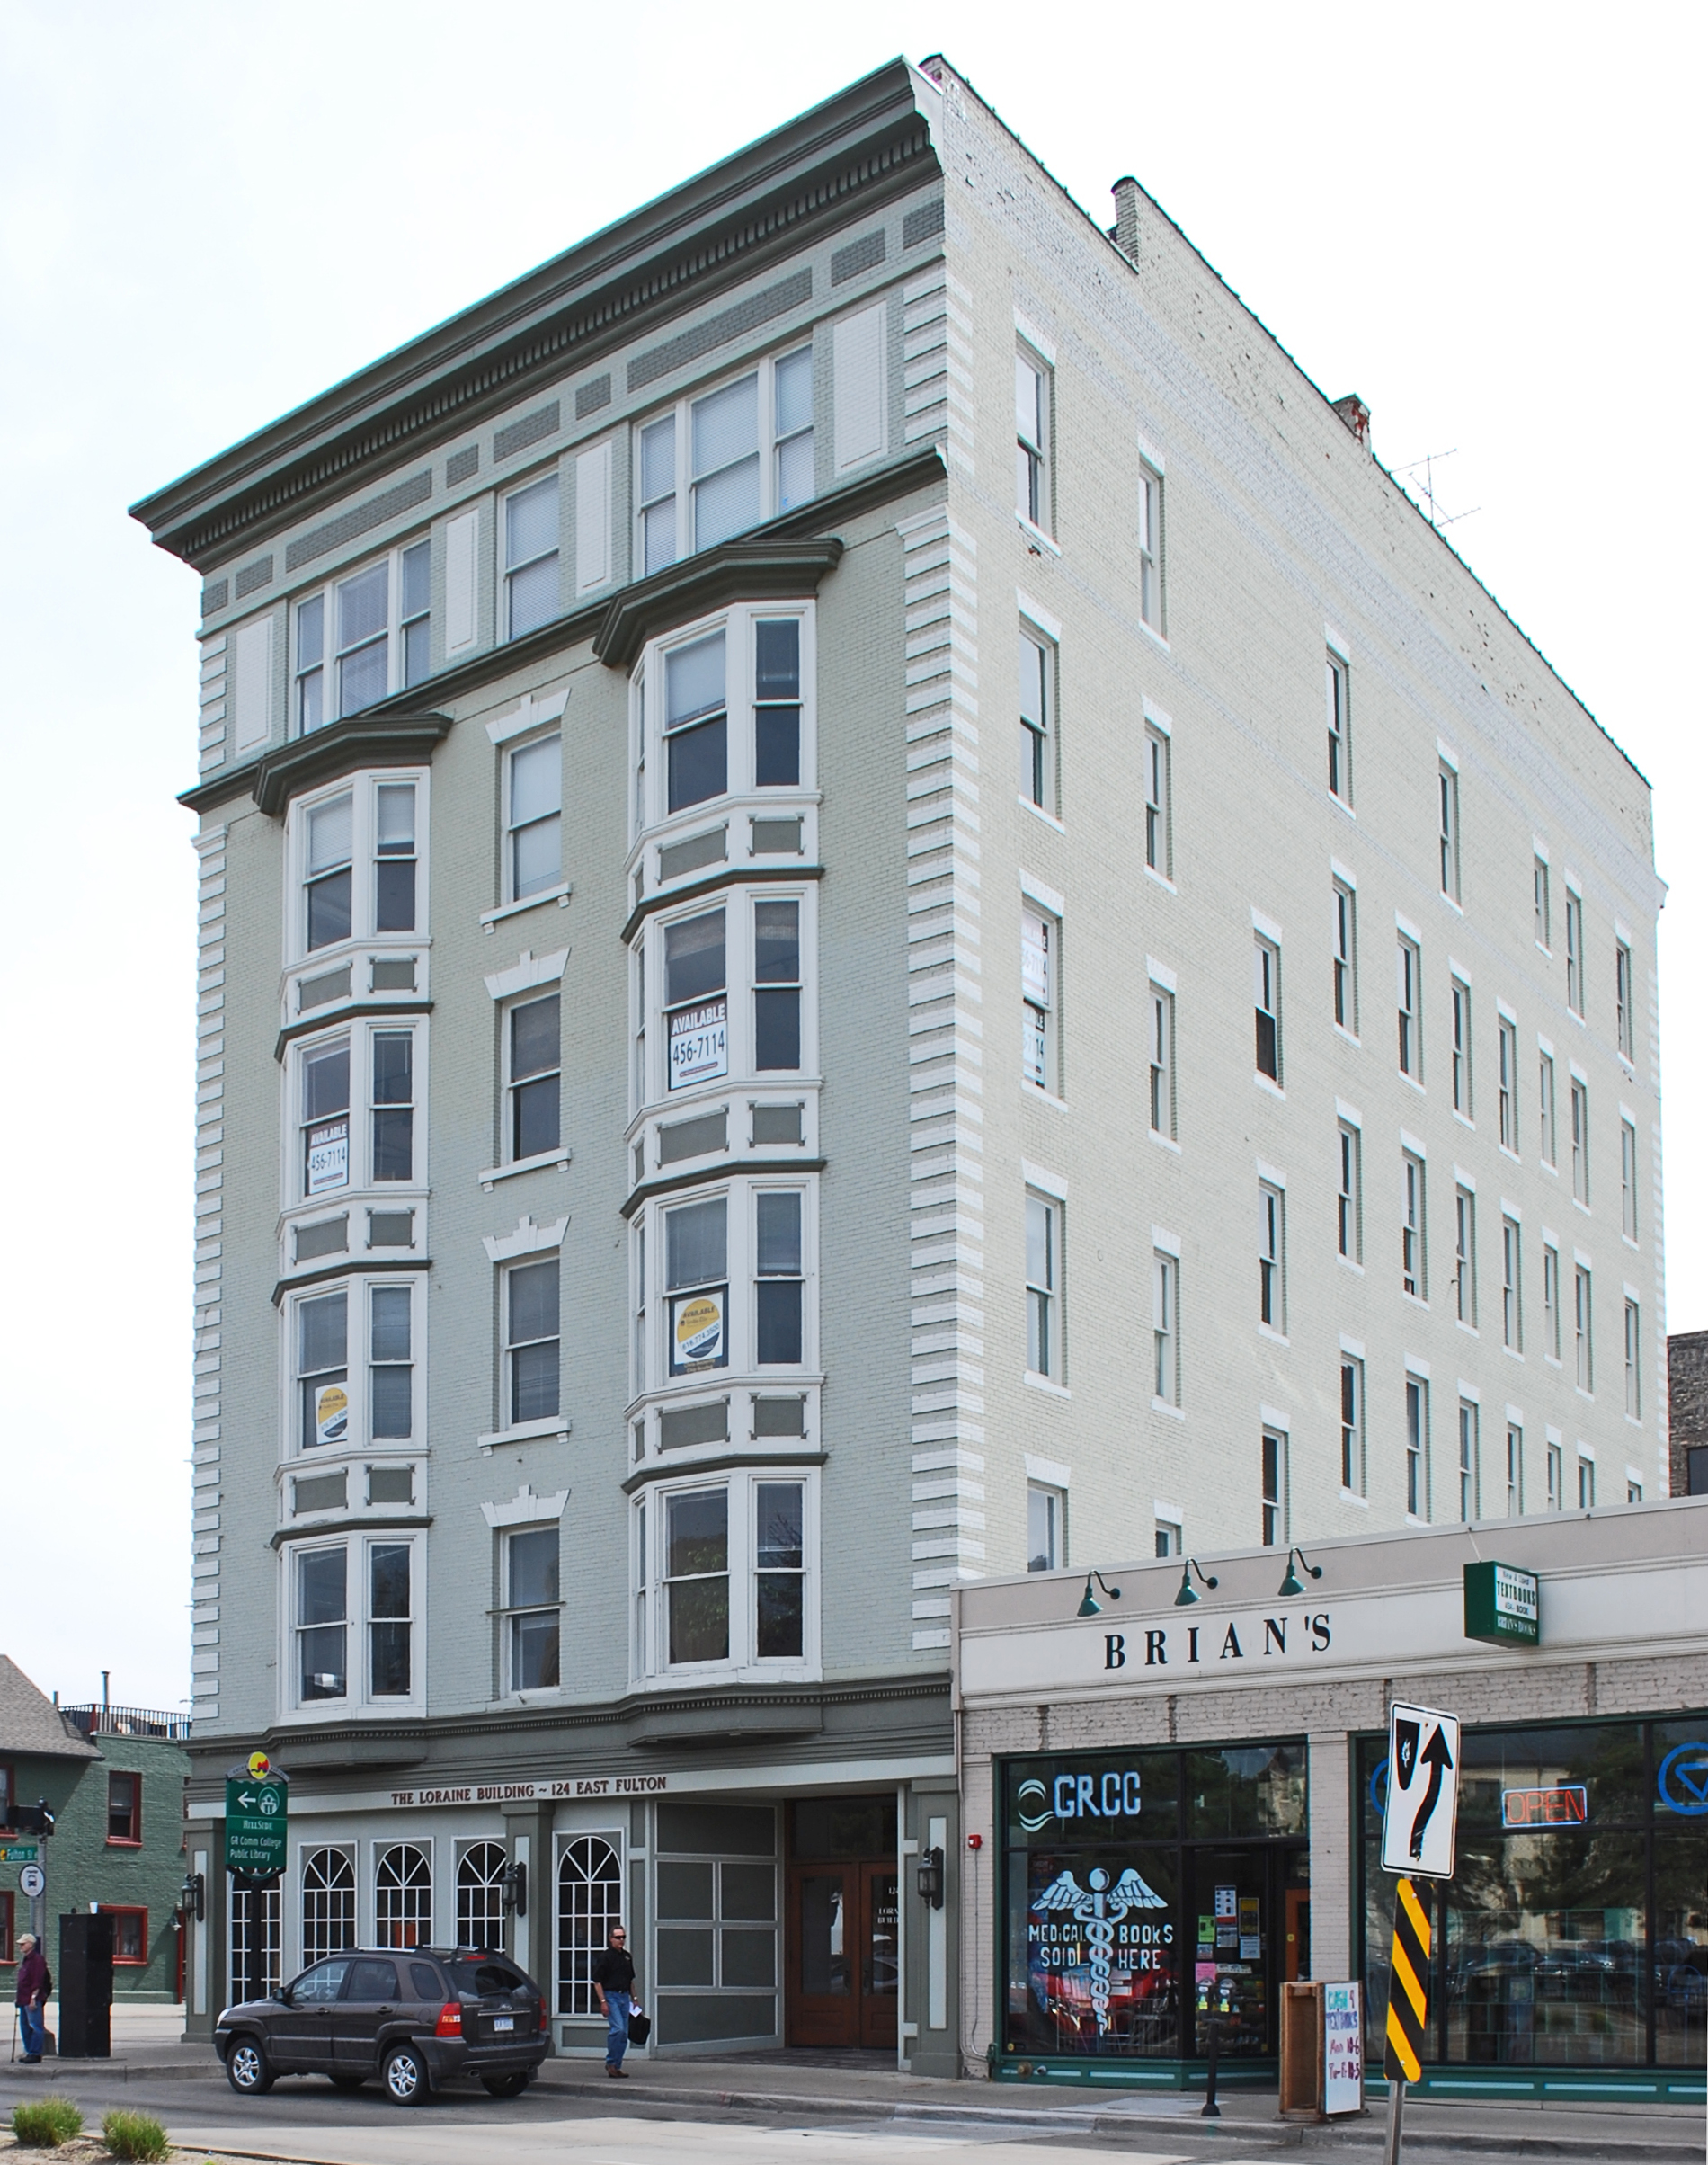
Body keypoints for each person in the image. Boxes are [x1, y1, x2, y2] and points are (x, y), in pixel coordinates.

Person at [590, 1923, 638, 2077]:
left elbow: (630, 1980)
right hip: (611, 1996)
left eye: (623, 1937)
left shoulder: (627, 1957)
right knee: (618, 2029)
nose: (621, 1940)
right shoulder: (605, 1957)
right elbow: (597, 1981)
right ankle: (611, 2062)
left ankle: (617, 2066)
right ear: (611, 1939)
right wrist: (603, 2002)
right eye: (618, 1937)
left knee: (624, 2033)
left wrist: (635, 1999)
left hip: (624, 1996)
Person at [15, 1933, 47, 2063]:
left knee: (35, 2026)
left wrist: (33, 1997)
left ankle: (35, 2053)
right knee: (25, 2027)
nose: (21, 1947)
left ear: (30, 1944)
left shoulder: (37, 1960)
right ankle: (29, 2051)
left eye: (23, 1944)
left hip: (31, 1999)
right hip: (23, 1998)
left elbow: (37, 1980)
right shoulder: (26, 1960)